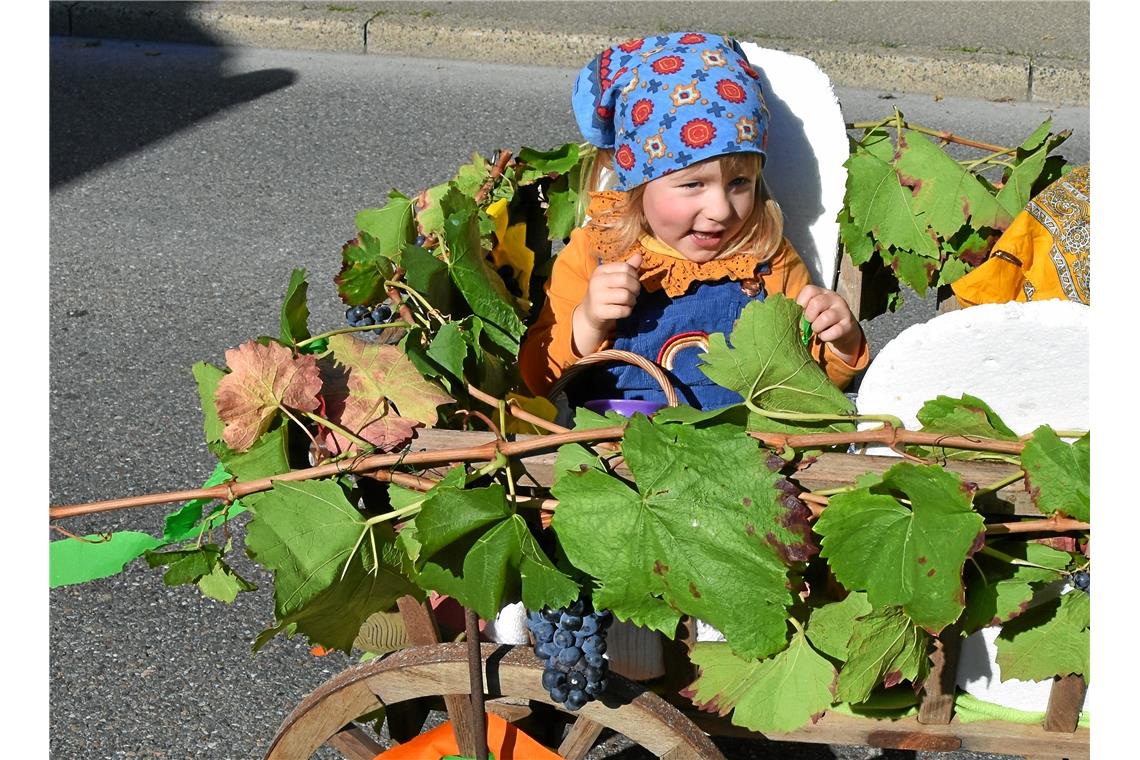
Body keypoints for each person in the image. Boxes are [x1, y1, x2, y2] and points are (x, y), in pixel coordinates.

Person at [519, 32, 868, 410]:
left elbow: (806, 384)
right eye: (692, 184)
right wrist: (588, 322)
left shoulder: (765, 257)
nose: (720, 208)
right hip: (610, 454)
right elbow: (541, 380)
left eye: (739, 182)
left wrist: (840, 341)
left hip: (738, 453)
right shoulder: (598, 251)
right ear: (639, 184)